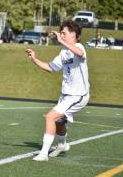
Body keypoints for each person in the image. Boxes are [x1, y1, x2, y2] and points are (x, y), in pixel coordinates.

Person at [26, 20, 89, 162]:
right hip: (66, 95)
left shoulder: (79, 47)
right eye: (61, 33)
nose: (61, 35)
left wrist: (61, 40)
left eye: (64, 33)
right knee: (59, 122)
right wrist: (34, 59)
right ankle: (62, 145)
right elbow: (50, 68)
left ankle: (43, 154)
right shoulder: (63, 53)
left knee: (50, 117)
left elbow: (79, 53)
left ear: (74, 34)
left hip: (78, 96)